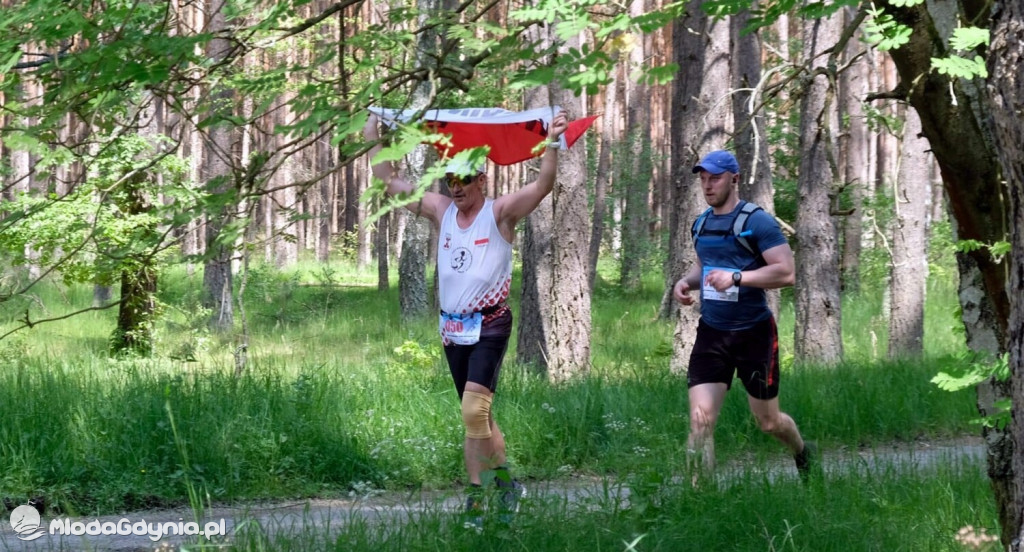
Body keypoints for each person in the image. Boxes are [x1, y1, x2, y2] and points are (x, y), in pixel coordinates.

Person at [363, 109, 569, 527]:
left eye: (463, 180)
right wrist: (373, 136)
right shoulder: (441, 210)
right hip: (452, 327)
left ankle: (475, 500)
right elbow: (389, 184)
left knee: (474, 411)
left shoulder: (501, 212)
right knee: (481, 415)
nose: (455, 188)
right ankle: (507, 486)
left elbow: (543, 186)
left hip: (491, 322)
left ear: (481, 180)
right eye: (450, 181)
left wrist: (551, 144)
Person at [672, 149, 816, 482]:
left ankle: (802, 453)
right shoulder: (702, 223)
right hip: (712, 333)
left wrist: (737, 277)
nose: (708, 186)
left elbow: (785, 272)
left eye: (715, 178)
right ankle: (700, 508)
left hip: (754, 335)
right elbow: (704, 265)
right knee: (700, 420)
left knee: (769, 422)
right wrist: (686, 282)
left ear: (734, 179)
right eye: (704, 180)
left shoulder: (757, 221)